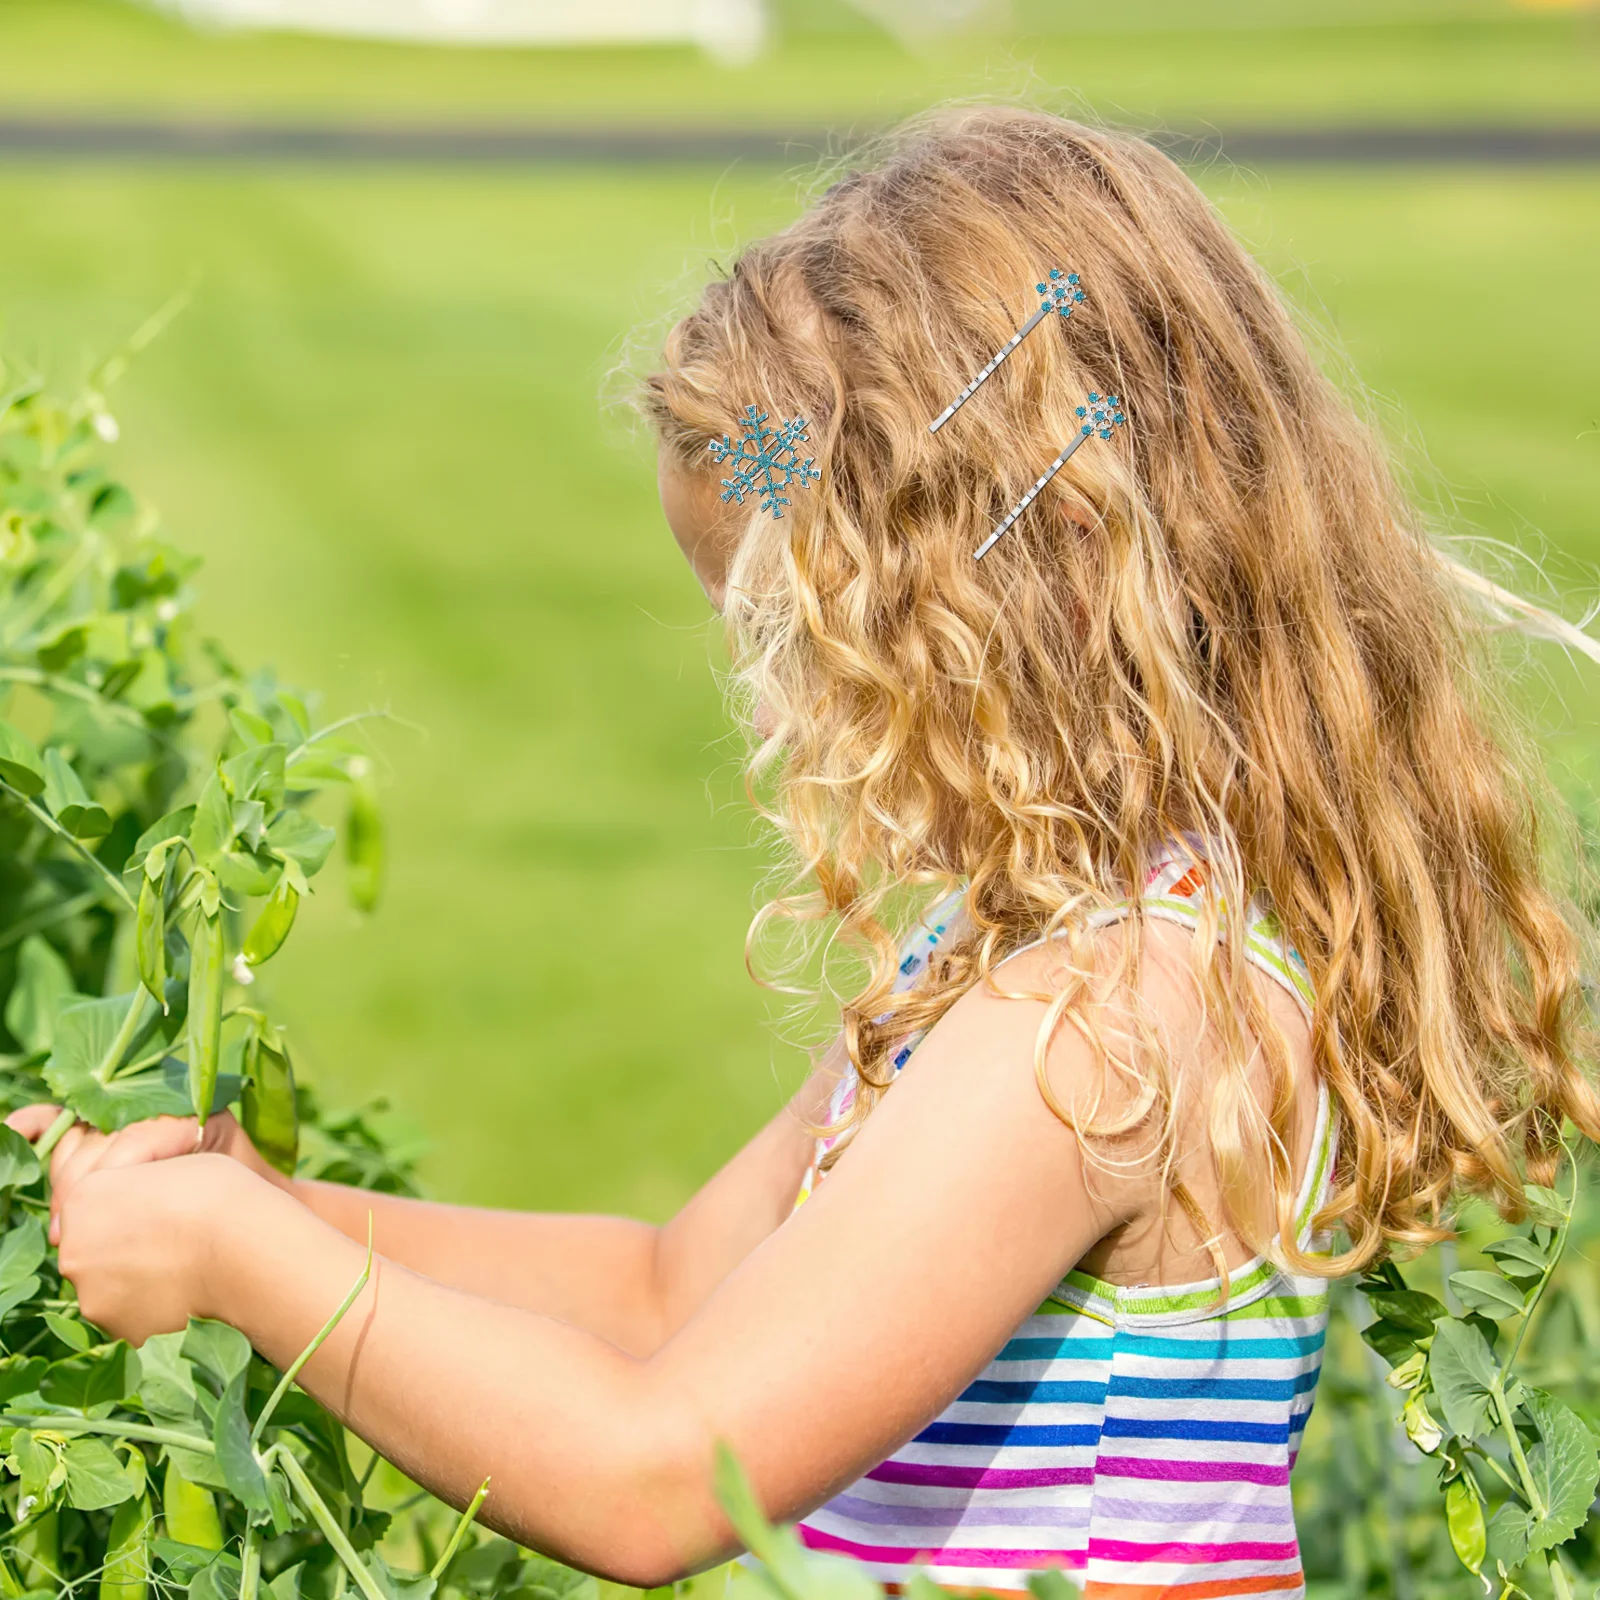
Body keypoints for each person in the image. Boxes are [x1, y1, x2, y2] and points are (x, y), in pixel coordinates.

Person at [10, 108, 1597, 1600]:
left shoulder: (1102, 1031)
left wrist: (240, 1267)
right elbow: (664, 1293)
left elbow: (657, 1480)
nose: (776, 708)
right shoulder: (1015, 953)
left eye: (793, 637)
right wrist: (278, 1208)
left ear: (994, 607)